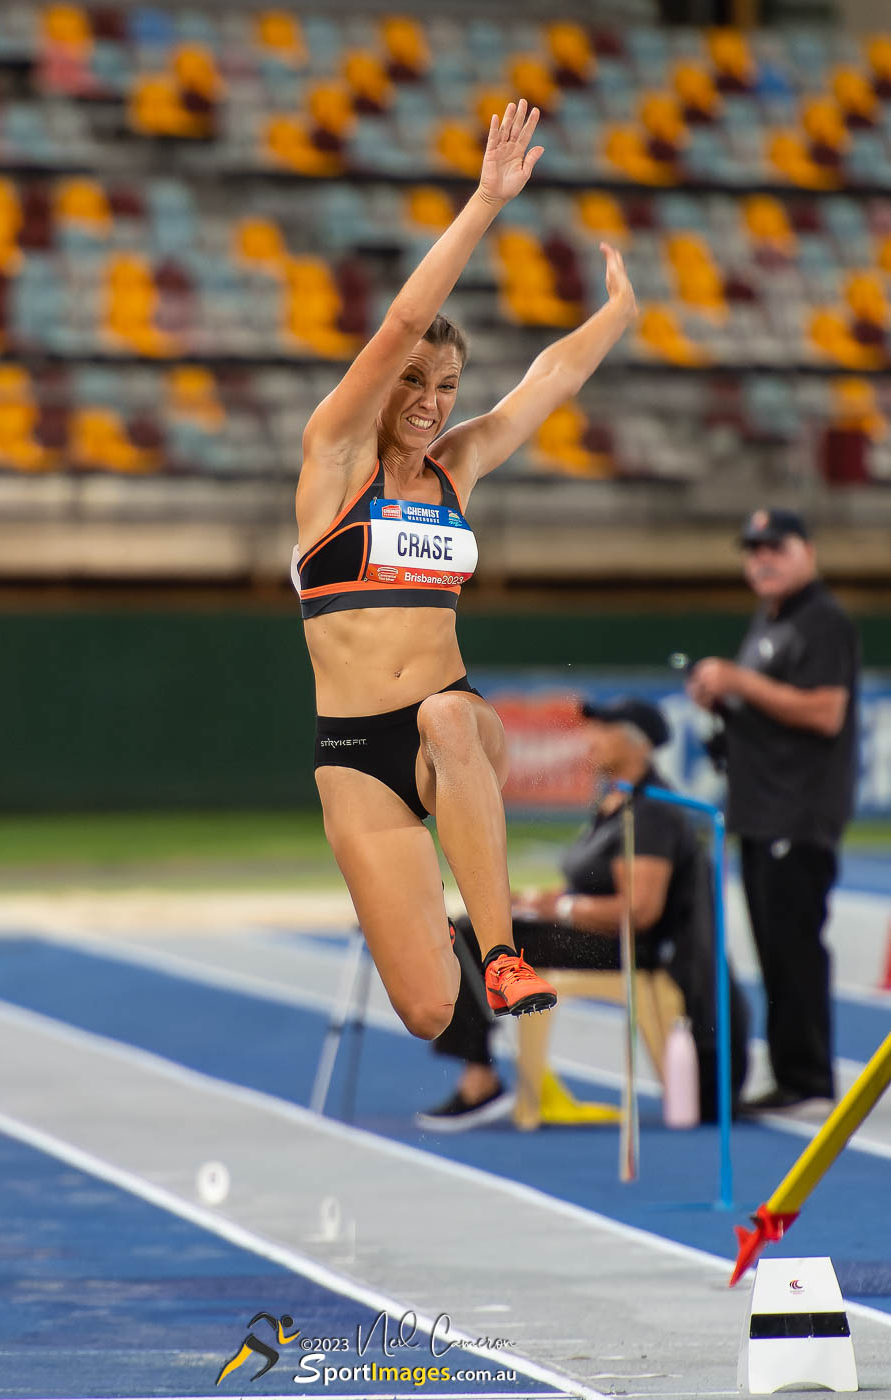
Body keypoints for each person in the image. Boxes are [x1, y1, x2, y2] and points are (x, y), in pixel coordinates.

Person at [292, 100, 638, 1039]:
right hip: (355, 755)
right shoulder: (332, 458)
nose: (431, 405)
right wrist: (487, 201)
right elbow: (408, 315)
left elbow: (550, 382)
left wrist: (620, 315)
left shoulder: (460, 469)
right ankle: (455, 956)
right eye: (415, 383)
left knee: (446, 713)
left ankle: (504, 951)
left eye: (446, 390)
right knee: (426, 1011)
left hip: (454, 724)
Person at [417, 697, 749, 1130]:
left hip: (632, 947)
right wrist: (536, 900)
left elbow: (640, 911)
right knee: (474, 927)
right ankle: (483, 1064)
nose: (591, 739)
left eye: (605, 729)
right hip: (597, 935)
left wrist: (560, 907)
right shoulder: (615, 803)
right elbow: (589, 887)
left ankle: (480, 1078)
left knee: (469, 935)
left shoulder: (651, 811)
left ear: (639, 744)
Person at [687, 507, 860, 1115]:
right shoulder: (773, 618)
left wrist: (740, 681)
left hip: (798, 810)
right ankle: (793, 1071)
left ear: (807, 552)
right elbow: (767, 706)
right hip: (761, 808)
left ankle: (808, 1078)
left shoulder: (822, 620)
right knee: (772, 947)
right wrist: (724, 699)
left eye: (775, 546)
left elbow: (824, 712)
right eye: (752, 548)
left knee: (793, 946)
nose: (761, 558)